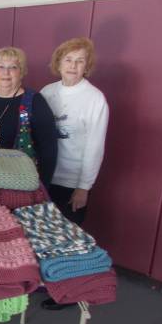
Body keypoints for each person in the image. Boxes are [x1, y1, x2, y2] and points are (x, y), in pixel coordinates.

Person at [41, 38, 108, 225]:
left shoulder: (95, 98)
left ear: (86, 66)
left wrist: (83, 188)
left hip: (71, 184)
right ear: (59, 63)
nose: (73, 65)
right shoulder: (47, 92)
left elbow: (95, 147)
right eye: (68, 59)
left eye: (80, 61)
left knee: (68, 240)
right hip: (43, 178)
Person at [0, 47, 58, 187]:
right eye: (1, 67)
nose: (6, 72)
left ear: (22, 72)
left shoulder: (35, 102)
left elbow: (49, 150)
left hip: (18, 182)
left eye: (13, 67)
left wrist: (41, 187)